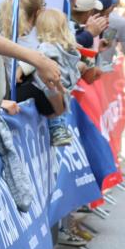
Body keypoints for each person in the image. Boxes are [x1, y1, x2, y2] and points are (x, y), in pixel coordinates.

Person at [31, 8, 83, 146]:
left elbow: (44, 74)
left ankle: (57, 130)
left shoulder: (45, 48)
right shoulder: (69, 49)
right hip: (65, 88)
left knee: (55, 113)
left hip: (51, 88)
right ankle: (60, 128)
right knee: (61, 111)